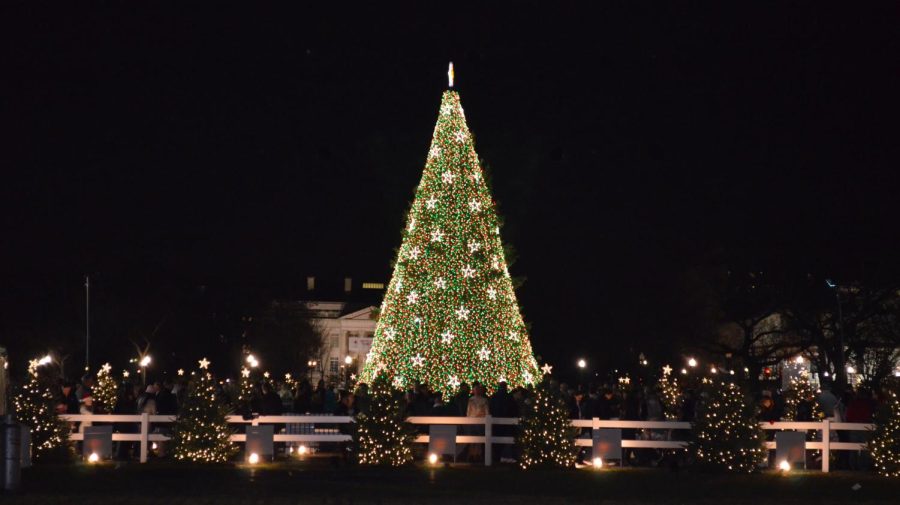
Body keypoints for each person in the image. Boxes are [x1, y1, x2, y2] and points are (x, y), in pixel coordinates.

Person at [466, 383, 489, 462]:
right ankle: (474, 454)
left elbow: (468, 412)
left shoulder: (475, 400)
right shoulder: (480, 400)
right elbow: (468, 411)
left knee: (476, 439)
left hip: (477, 421)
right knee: (476, 438)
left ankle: (475, 454)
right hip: (477, 422)